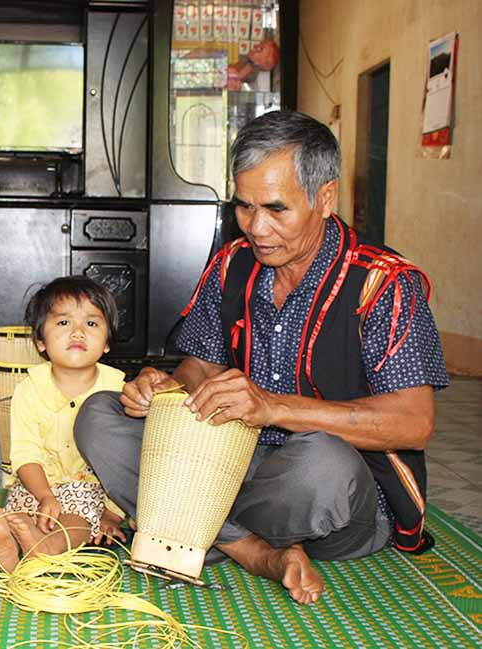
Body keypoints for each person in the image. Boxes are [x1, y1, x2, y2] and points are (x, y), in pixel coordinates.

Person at [74, 111, 448, 604]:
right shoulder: (233, 264)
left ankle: (188, 527)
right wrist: (168, 389)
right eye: (244, 208)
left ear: (326, 197)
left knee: (323, 461)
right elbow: (200, 365)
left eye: (276, 209)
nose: (257, 228)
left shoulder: (383, 284)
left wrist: (273, 407)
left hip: (337, 495)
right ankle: (253, 551)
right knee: (99, 415)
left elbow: (414, 422)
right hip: (230, 466)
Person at [0, 277, 128, 572]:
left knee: (75, 523)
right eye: (64, 323)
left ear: (107, 343)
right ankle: (8, 545)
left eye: (92, 324)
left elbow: (125, 462)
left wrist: (112, 515)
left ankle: (44, 548)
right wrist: (44, 496)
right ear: (41, 341)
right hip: (36, 486)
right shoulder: (29, 389)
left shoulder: (119, 389)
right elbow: (25, 453)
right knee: (20, 516)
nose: (79, 331)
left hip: (89, 491)